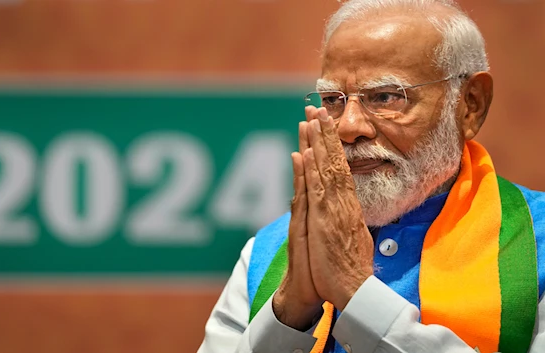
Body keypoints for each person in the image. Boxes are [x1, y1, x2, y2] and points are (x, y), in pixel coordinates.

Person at [198, 0, 545, 352]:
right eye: (333, 99)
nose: (348, 127)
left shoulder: (537, 240)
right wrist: (289, 312)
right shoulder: (270, 250)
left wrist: (355, 293)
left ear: (470, 103)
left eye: (385, 97)